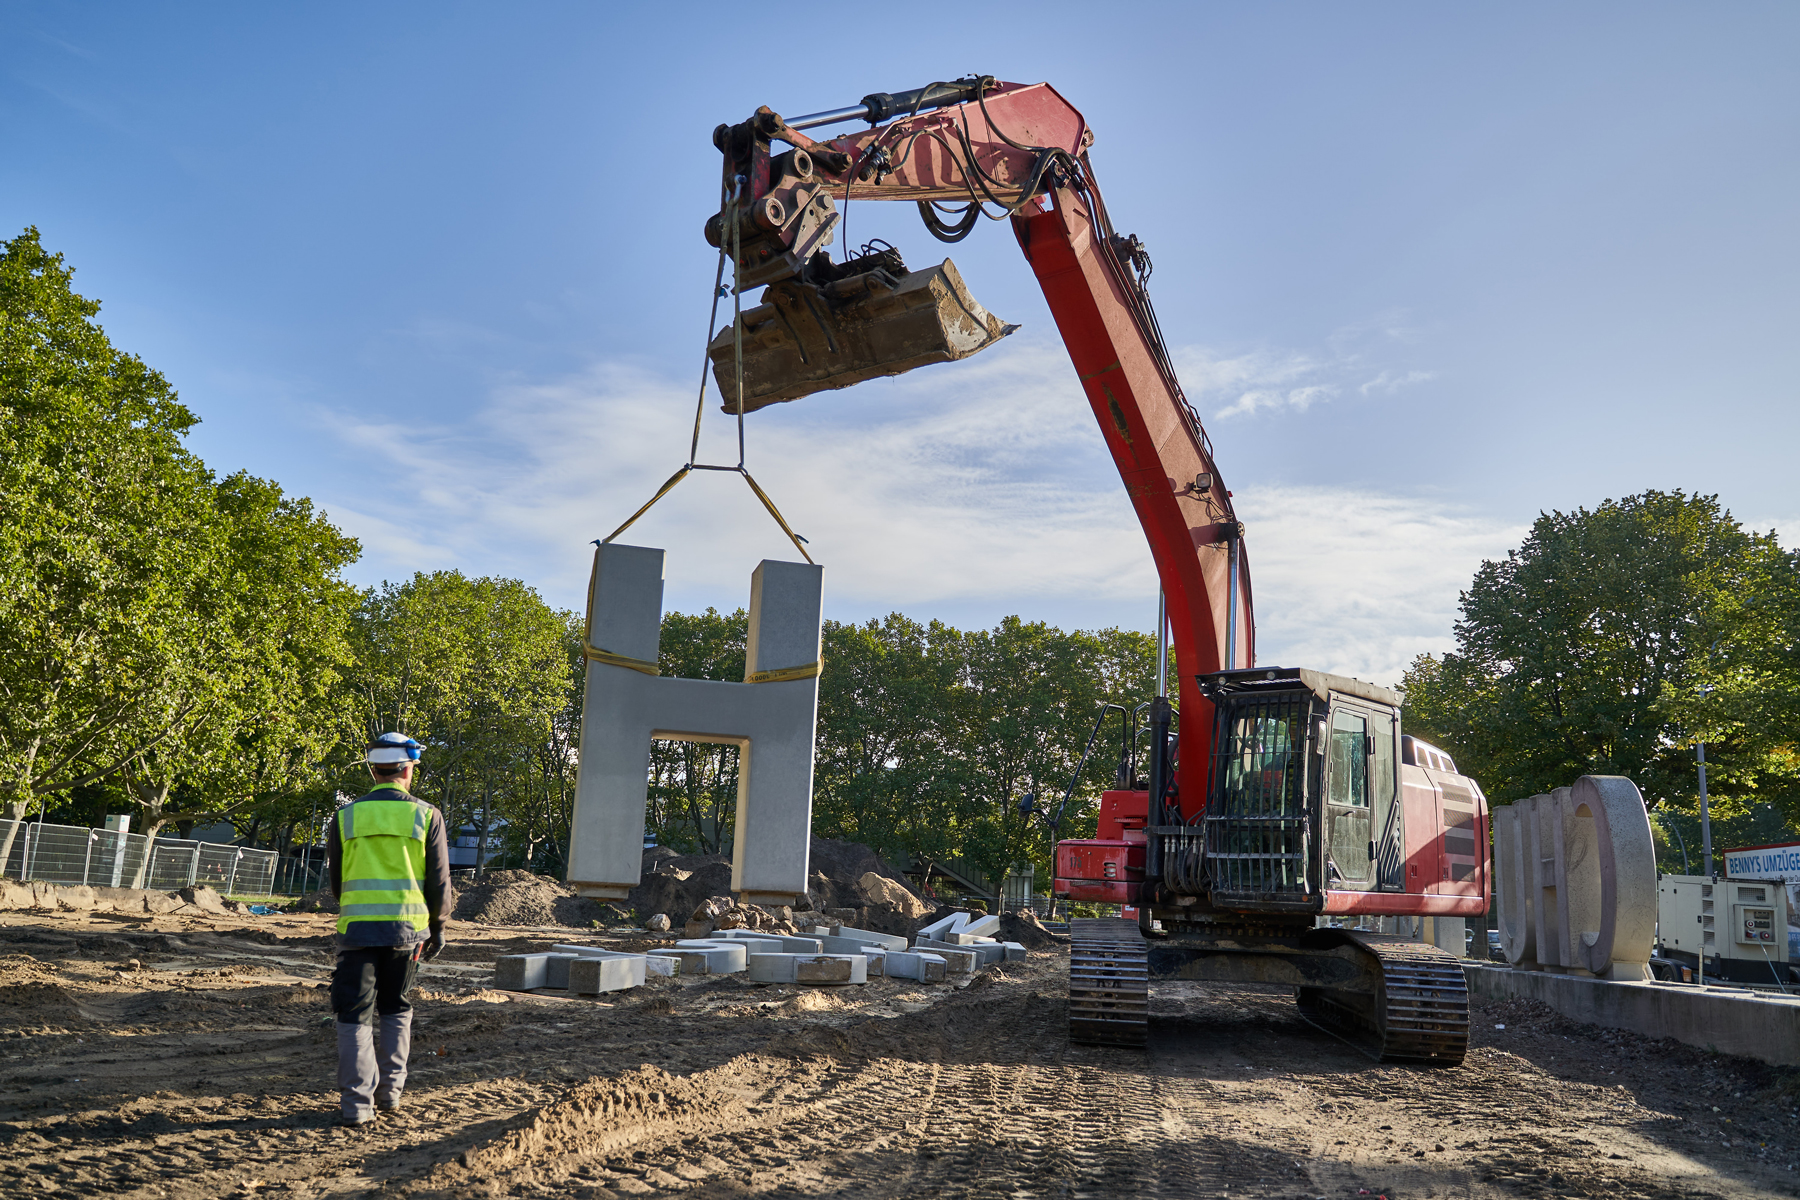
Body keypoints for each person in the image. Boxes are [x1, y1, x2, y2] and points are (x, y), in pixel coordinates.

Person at [325, 733, 451, 1125]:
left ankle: (356, 1106)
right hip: (407, 932)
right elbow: (439, 881)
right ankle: (390, 1094)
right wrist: (438, 926)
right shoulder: (426, 815)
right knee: (396, 1007)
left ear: (373, 769)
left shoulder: (345, 816)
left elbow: (336, 881)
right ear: (408, 769)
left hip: (357, 930)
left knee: (354, 1013)